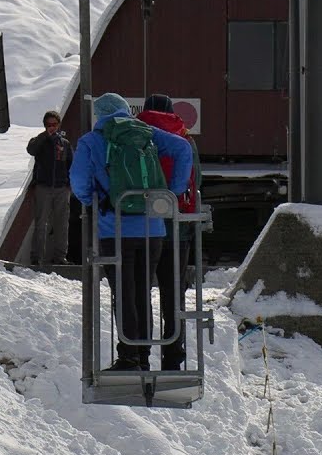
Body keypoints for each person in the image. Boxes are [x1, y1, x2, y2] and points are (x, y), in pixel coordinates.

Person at [70, 92, 192, 371]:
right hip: (153, 229)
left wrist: (92, 201)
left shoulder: (92, 140)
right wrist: (170, 194)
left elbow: (78, 179)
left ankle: (129, 357)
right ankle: (143, 355)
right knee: (141, 291)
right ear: (126, 110)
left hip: (115, 229)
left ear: (100, 115)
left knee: (124, 293)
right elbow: (183, 148)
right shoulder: (147, 133)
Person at [135, 93, 201, 370]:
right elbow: (196, 178)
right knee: (173, 292)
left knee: (139, 291)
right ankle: (173, 356)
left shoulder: (136, 136)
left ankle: (139, 355)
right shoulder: (184, 139)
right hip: (178, 226)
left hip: (141, 226)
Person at [26, 110, 73, 266]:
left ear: (59, 125)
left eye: (54, 124)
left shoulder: (65, 143)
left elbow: (71, 164)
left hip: (61, 188)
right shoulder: (39, 141)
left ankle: (60, 257)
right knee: (41, 223)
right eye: (48, 124)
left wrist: (69, 184)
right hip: (43, 187)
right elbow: (31, 150)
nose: (52, 127)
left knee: (62, 224)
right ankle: (36, 257)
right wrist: (44, 136)